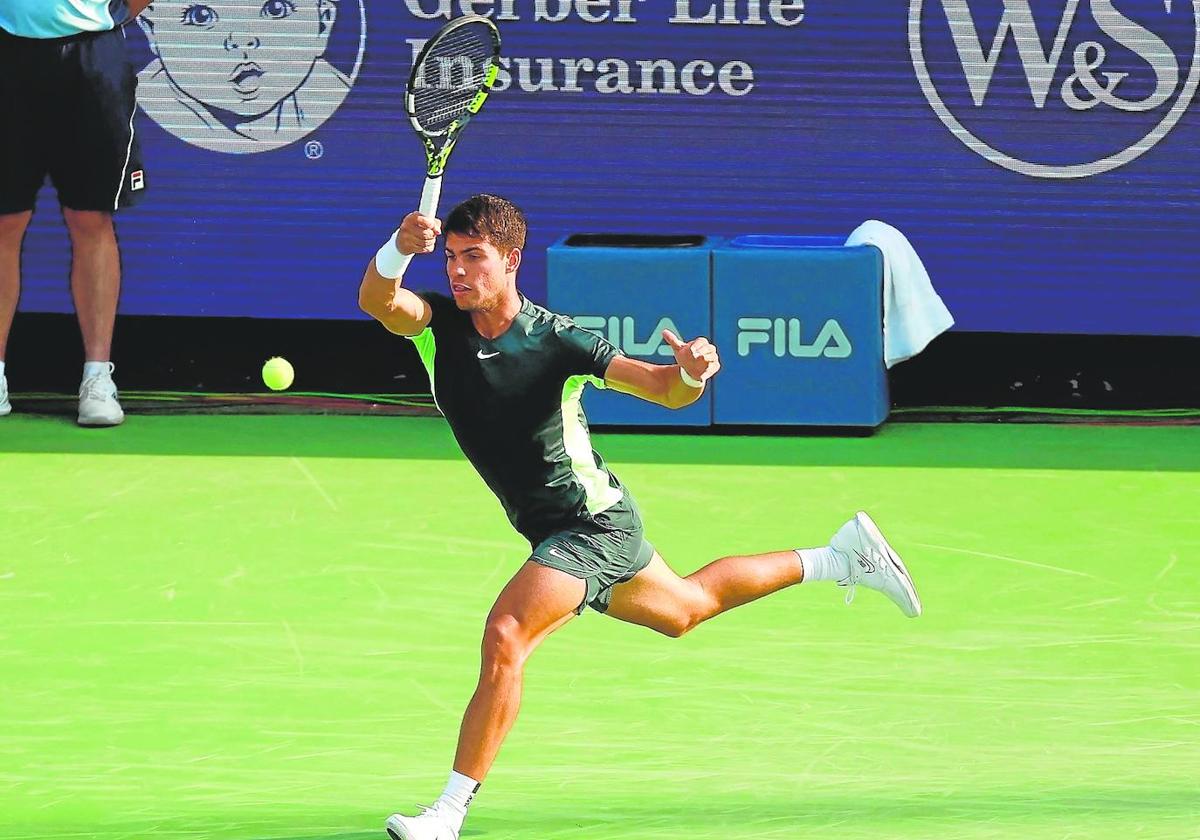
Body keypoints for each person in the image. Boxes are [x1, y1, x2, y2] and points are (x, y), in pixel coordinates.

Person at [359, 194, 923, 840]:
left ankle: (447, 813)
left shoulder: (559, 340)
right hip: (554, 528)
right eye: (453, 258)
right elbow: (379, 300)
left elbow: (662, 390)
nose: (459, 272)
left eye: (475, 258)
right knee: (684, 609)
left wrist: (690, 375)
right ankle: (839, 556)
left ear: (511, 260)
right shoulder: (440, 329)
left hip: (590, 526)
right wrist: (401, 248)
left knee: (506, 634)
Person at [0, 0, 152, 426]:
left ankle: (97, 379)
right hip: (7, 53)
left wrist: (105, 21)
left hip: (92, 57)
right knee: (4, 222)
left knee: (90, 217)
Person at [135, 0, 350, 154]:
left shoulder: (334, 96)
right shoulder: (128, 108)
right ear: (152, 29)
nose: (243, 39)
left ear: (323, 24)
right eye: (201, 16)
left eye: (275, 9)